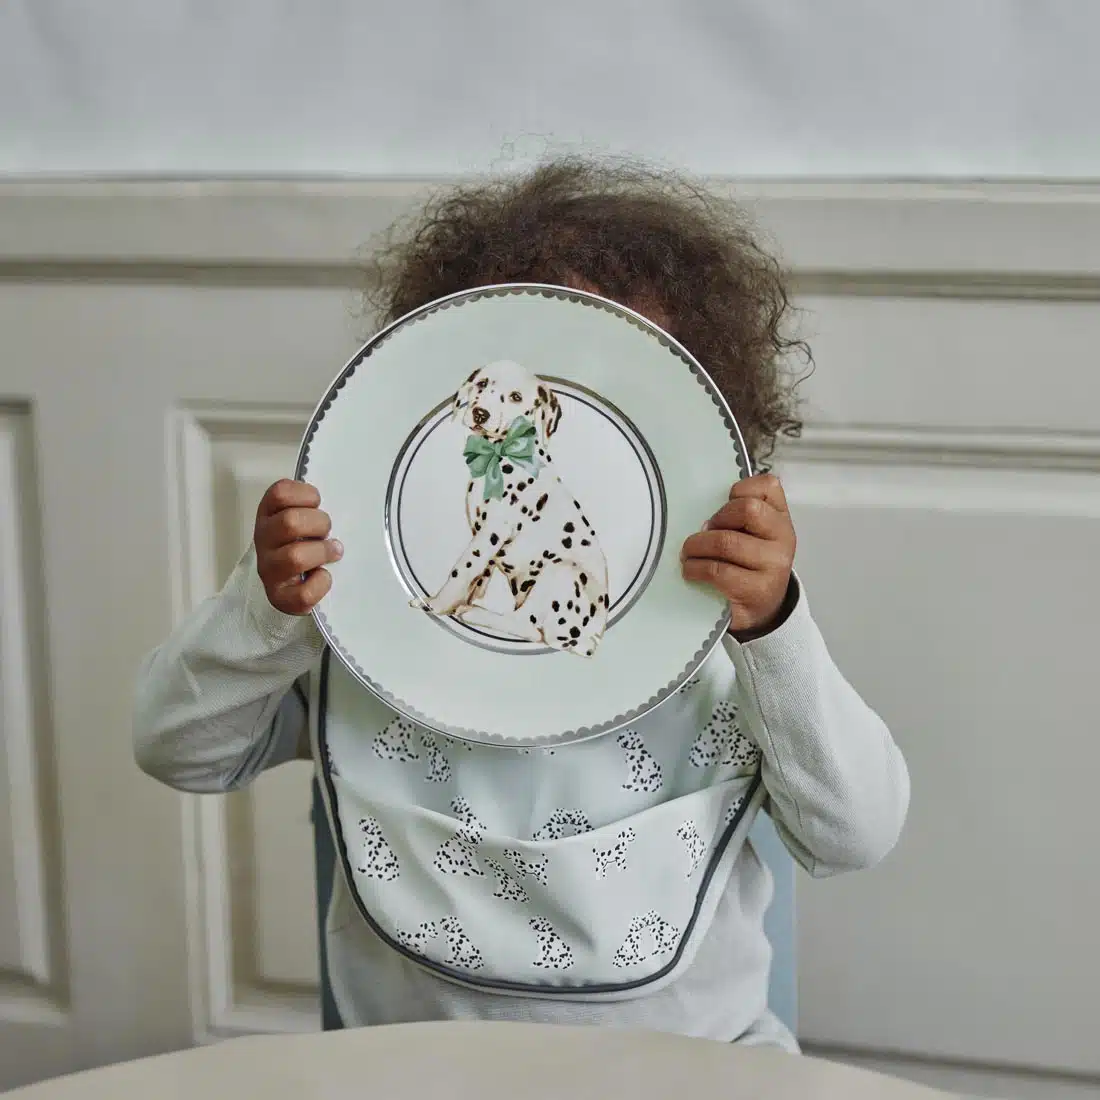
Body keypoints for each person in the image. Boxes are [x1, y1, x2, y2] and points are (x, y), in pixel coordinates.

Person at [133, 157, 909, 1052]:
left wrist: (774, 630)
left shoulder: (729, 653)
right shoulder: (367, 628)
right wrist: (270, 606)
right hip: (406, 1074)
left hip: (701, 1072)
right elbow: (177, 747)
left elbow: (855, 833)